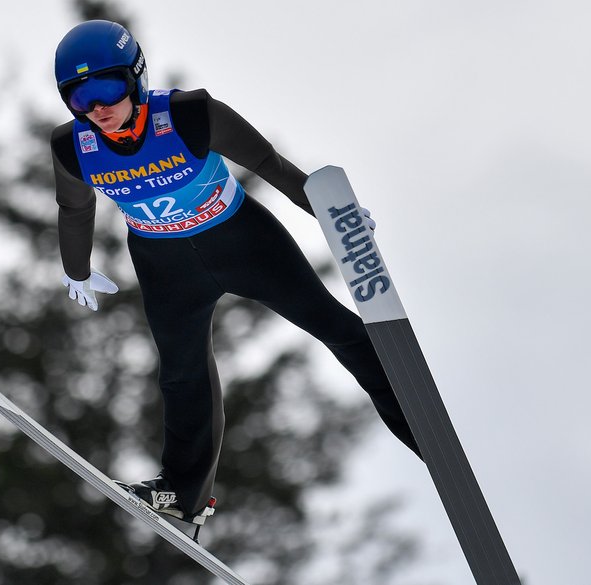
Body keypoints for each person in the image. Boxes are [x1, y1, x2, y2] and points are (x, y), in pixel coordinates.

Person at [50, 20, 421, 527]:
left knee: (335, 328)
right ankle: (184, 496)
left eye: (106, 89)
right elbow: (73, 209)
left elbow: (270, 163)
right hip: (165, 266)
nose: (97, 108)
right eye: (80, 98)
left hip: (243, 242)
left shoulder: (189, 115)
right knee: (181, 377)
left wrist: (333, 214)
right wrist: (76, 270)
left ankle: (421, 425)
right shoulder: (74, 146)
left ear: (134, 76)